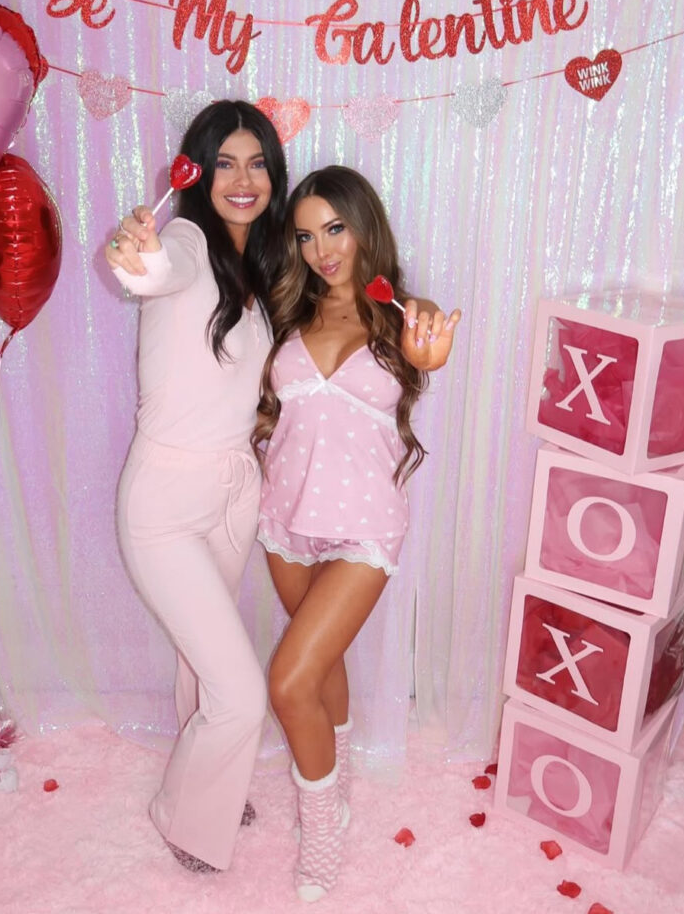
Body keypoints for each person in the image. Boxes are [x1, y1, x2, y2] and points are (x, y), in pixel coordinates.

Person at [251, 165, 460, 902]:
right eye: (305, 236)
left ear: (363, 224)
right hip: (284, 520)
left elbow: (428, 352)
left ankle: (323, 839)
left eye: (333, 229)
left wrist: (427, 353)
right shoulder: (286, 313)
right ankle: (331, 782)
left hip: (363, 529)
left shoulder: (402, 313)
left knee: (289, 680)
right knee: (320, 669)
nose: (319, 250)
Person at [103, 100, 288, 873]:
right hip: (165, 500)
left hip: (230, 489)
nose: (242, 180)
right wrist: (130, 251)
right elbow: (147, 269)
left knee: (203, 659)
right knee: (241, 690)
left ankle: (204, 779)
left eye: (256, 164)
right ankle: (182, 814)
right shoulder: (182, 240)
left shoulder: (258, 264)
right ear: (196, 171)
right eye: (223, 163)